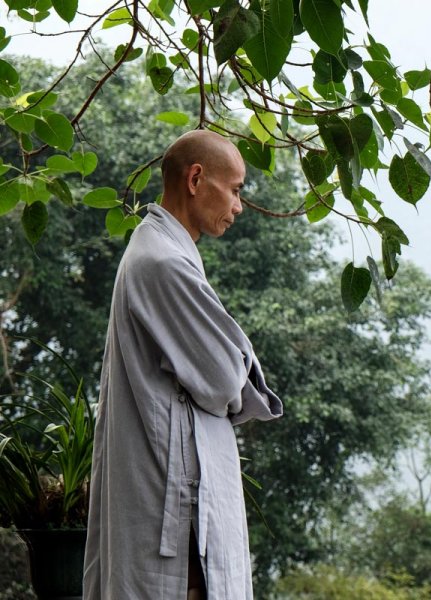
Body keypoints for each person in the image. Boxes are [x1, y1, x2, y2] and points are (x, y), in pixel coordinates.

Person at [83, 130, 283, 599]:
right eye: (234, 190)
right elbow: (225, 378)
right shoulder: (162, 262)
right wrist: (237, 359)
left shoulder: (164, 251)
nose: (238, 206)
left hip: (173, 487)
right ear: (196, 178)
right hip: (172, 498)